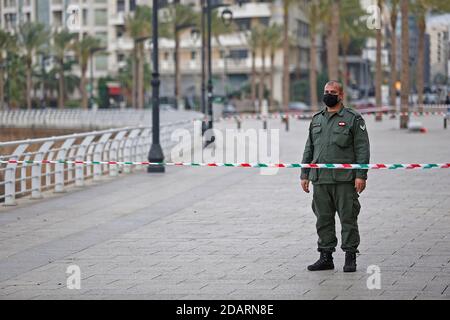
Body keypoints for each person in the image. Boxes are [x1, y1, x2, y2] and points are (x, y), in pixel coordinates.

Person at [300, 81, 370, 272]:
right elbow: (309, 148)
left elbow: (362, 149)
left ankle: (350, 257)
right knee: (323, 219)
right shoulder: (316, 119)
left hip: (344, 180)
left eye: (333, 92)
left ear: (341, 96)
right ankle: (325, 257)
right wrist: (304, 174)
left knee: (348, 218)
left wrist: (361, 175)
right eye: (326, 91)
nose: (328, 95)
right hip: (320, 179)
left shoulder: (353, 118)